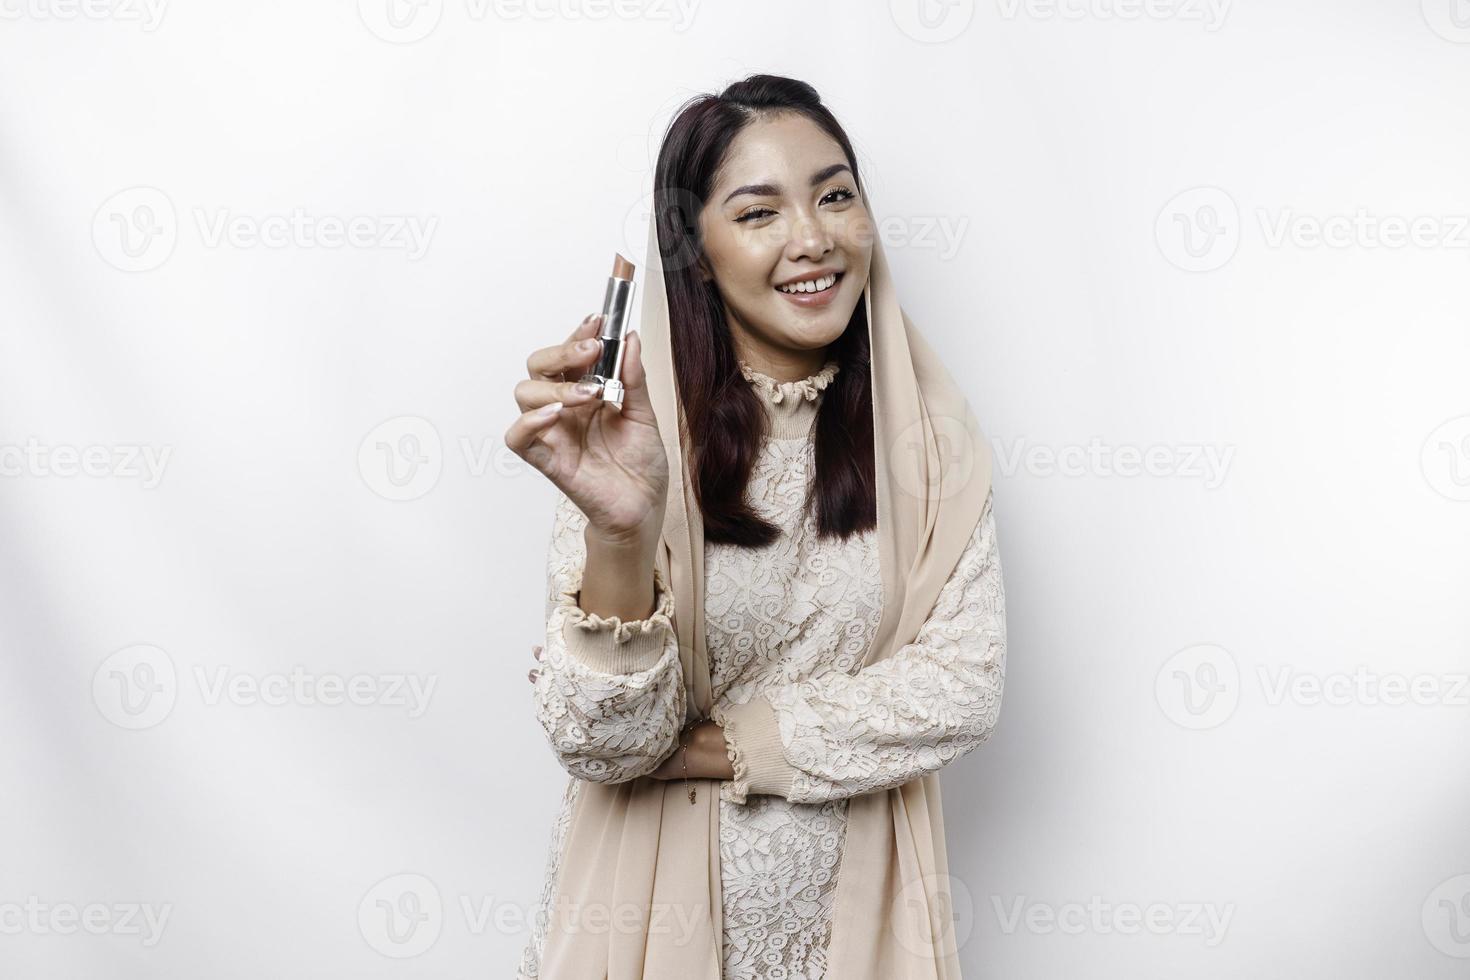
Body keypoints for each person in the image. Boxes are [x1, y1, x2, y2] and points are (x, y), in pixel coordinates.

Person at [507, 73, 1006, 980]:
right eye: (758, 212)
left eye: (835, 194)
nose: (813, 238)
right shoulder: (636, 436)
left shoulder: (932, 442)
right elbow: (601, 745)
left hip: (863, 918)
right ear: (693, 253)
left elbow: (964, 687)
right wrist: (621, 535)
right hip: (644, 915)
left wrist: (725, 745)